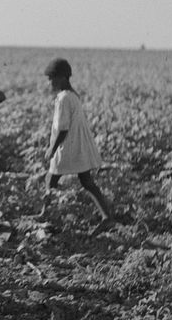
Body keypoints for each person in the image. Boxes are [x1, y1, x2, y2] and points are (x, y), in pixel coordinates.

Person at [37, 57, 116, 234]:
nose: (50, 82)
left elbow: (63, 128)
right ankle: (107, 217)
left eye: (52, 78)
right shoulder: (71, 95)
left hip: (68, 144)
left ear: (63, 78)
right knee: (86, 181)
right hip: (78, 144)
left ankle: (46, 213)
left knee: (52, 178)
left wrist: (52, 148)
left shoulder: (64, 98)